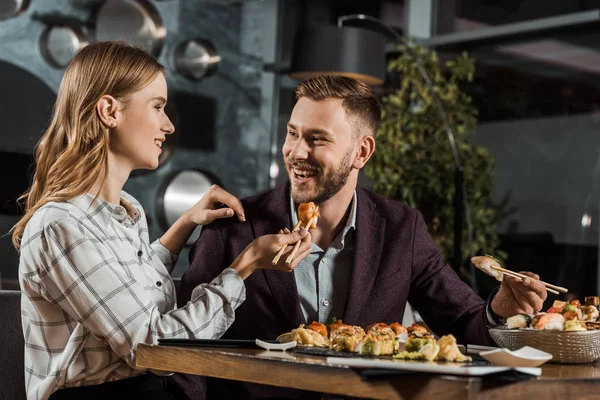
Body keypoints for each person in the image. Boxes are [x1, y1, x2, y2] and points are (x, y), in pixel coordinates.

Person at [174, 74, 548, 400]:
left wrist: (501, 311)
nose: (296, 152)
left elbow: (464, 320)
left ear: (361, 152)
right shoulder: (232, 227)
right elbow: (183, 351)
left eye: (317, 139)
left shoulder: (403, 229)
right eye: (292, 133)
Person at [12, 41, 312, 400]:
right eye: (157, 107)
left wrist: (185, 223)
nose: (168, 126)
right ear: (109, 111)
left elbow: (123, 287)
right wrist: (245, 266)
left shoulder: (124, 213)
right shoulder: (60, 227)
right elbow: (153, 346)